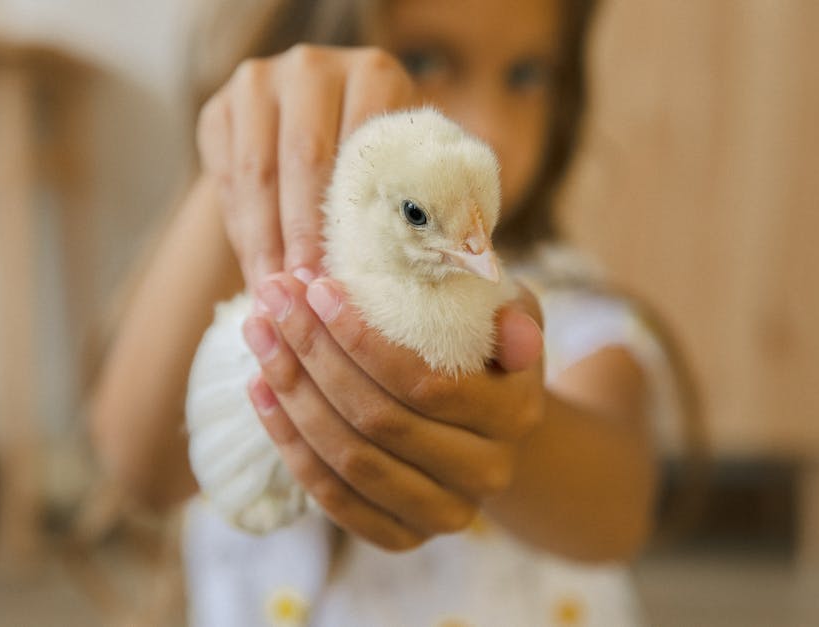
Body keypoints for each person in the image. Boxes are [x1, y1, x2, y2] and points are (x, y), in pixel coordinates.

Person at [91, 0, 688, 624]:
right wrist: (255, 158)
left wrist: (514, 430)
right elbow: (141, 468)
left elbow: (618, 513)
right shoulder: (271, 288)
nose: (488, 128)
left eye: (526, 74)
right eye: (424, 60)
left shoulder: (561, 303)